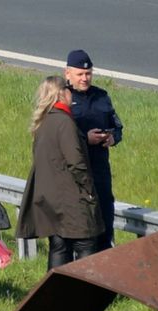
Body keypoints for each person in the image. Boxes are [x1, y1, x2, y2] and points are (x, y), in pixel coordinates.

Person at [17, 76, 105, 269]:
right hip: (71, 199)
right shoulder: (65, 123)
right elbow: (76, 162)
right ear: (61, 93)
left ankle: (54, 293)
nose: (71, 93)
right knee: (86, 244)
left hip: (50, 200)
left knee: (58, 247)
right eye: (68, 89)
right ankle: (86, 295)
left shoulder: (44, 123)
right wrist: (89, 189)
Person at [65, 49, 123, 249]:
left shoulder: (101, 96)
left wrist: (113, 138)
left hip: (100, 169)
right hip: (75, 172)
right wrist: (84, 139)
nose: (84, 78)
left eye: (88, 74)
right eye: (80, 74)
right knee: (81, 226)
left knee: (105, 218)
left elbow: (117, 126)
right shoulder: (62, 98)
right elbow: (59, 135)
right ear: (68, 74)